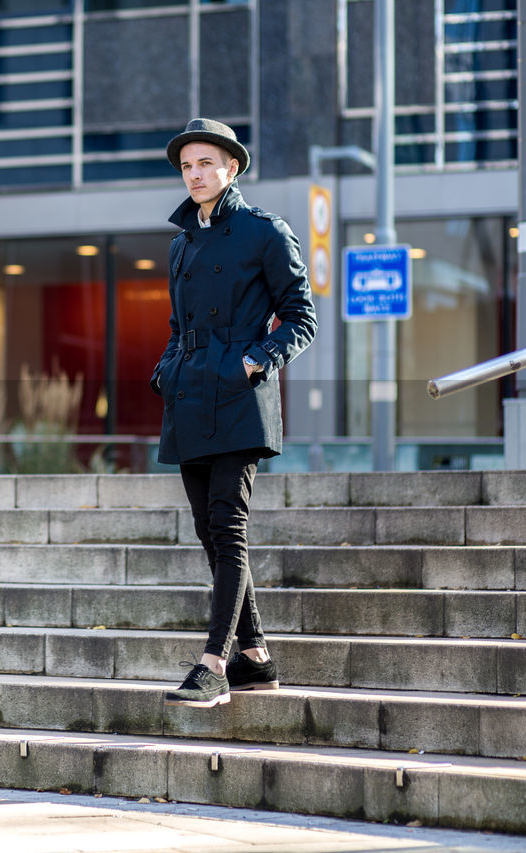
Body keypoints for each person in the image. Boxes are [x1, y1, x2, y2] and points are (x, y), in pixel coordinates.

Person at [150, 118, 317, 708]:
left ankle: (214, 663)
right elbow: (177, 327)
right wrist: (165, 370)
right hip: (188, 397)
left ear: (232, 168)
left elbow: (302, 316)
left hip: (239, 398)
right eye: (187, 165)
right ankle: (257, 657)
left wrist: (255, 361)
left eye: (206, 163)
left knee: (228, 528)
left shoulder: (264, 232)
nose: (195, 174)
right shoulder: (181, 243)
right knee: (208, 531)